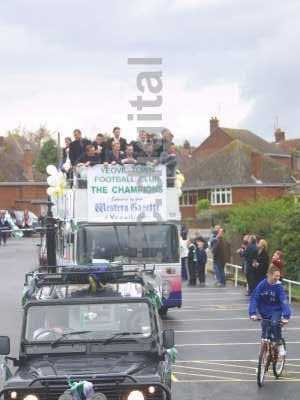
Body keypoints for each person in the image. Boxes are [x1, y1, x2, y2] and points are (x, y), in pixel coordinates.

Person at [249, 265, 291, 356]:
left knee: (275, 323)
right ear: (269, 275)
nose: (277, 278)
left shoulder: (279, 287)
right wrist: (252, 313)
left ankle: (279, 344)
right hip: (264, 311)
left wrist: (286, 316)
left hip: (276, 310)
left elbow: (284, 301)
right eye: (276, 276)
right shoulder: (262, 285)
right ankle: (263, 355)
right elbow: (255, 299)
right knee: (265, 330)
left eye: (278, 276)